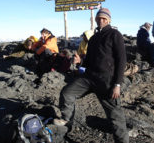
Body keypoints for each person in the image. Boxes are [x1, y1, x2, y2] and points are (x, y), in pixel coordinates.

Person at [53, 8, 129, 143]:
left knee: (115, 117)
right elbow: (88, 61)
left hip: (106, 81)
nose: (101, 20)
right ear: (95, 20)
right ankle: (66, 120)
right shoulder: (93, 38)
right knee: (67, 93)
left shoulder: (114, 34)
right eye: (99, 18)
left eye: (104, 18)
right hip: (89, 78)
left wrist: (117, 84)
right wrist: (79, 62)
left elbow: (121, 60)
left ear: (109, 20)